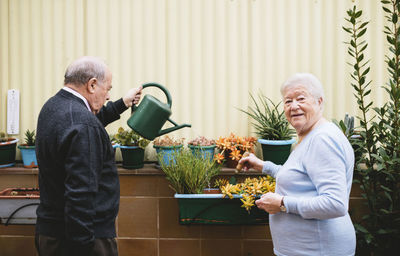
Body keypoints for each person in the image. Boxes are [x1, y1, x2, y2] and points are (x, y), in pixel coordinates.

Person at [35, 56, 142, 256]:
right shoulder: (83, 125)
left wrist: (123, 104)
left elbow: (84, 124)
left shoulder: (53, 107)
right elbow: (80, 194)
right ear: (92, 84)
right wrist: (82, 246)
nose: (108, 96)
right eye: (108, 89)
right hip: (83, 240)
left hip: (50, 232)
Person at [238, 73, 356, 256]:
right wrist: (263, 166)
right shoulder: (311, 135)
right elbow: (300, 177)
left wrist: (283, 203)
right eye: (287, 101)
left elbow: (335, 204)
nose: (294, 106)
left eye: (301, 98)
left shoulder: (322, 140)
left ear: (319, 102)